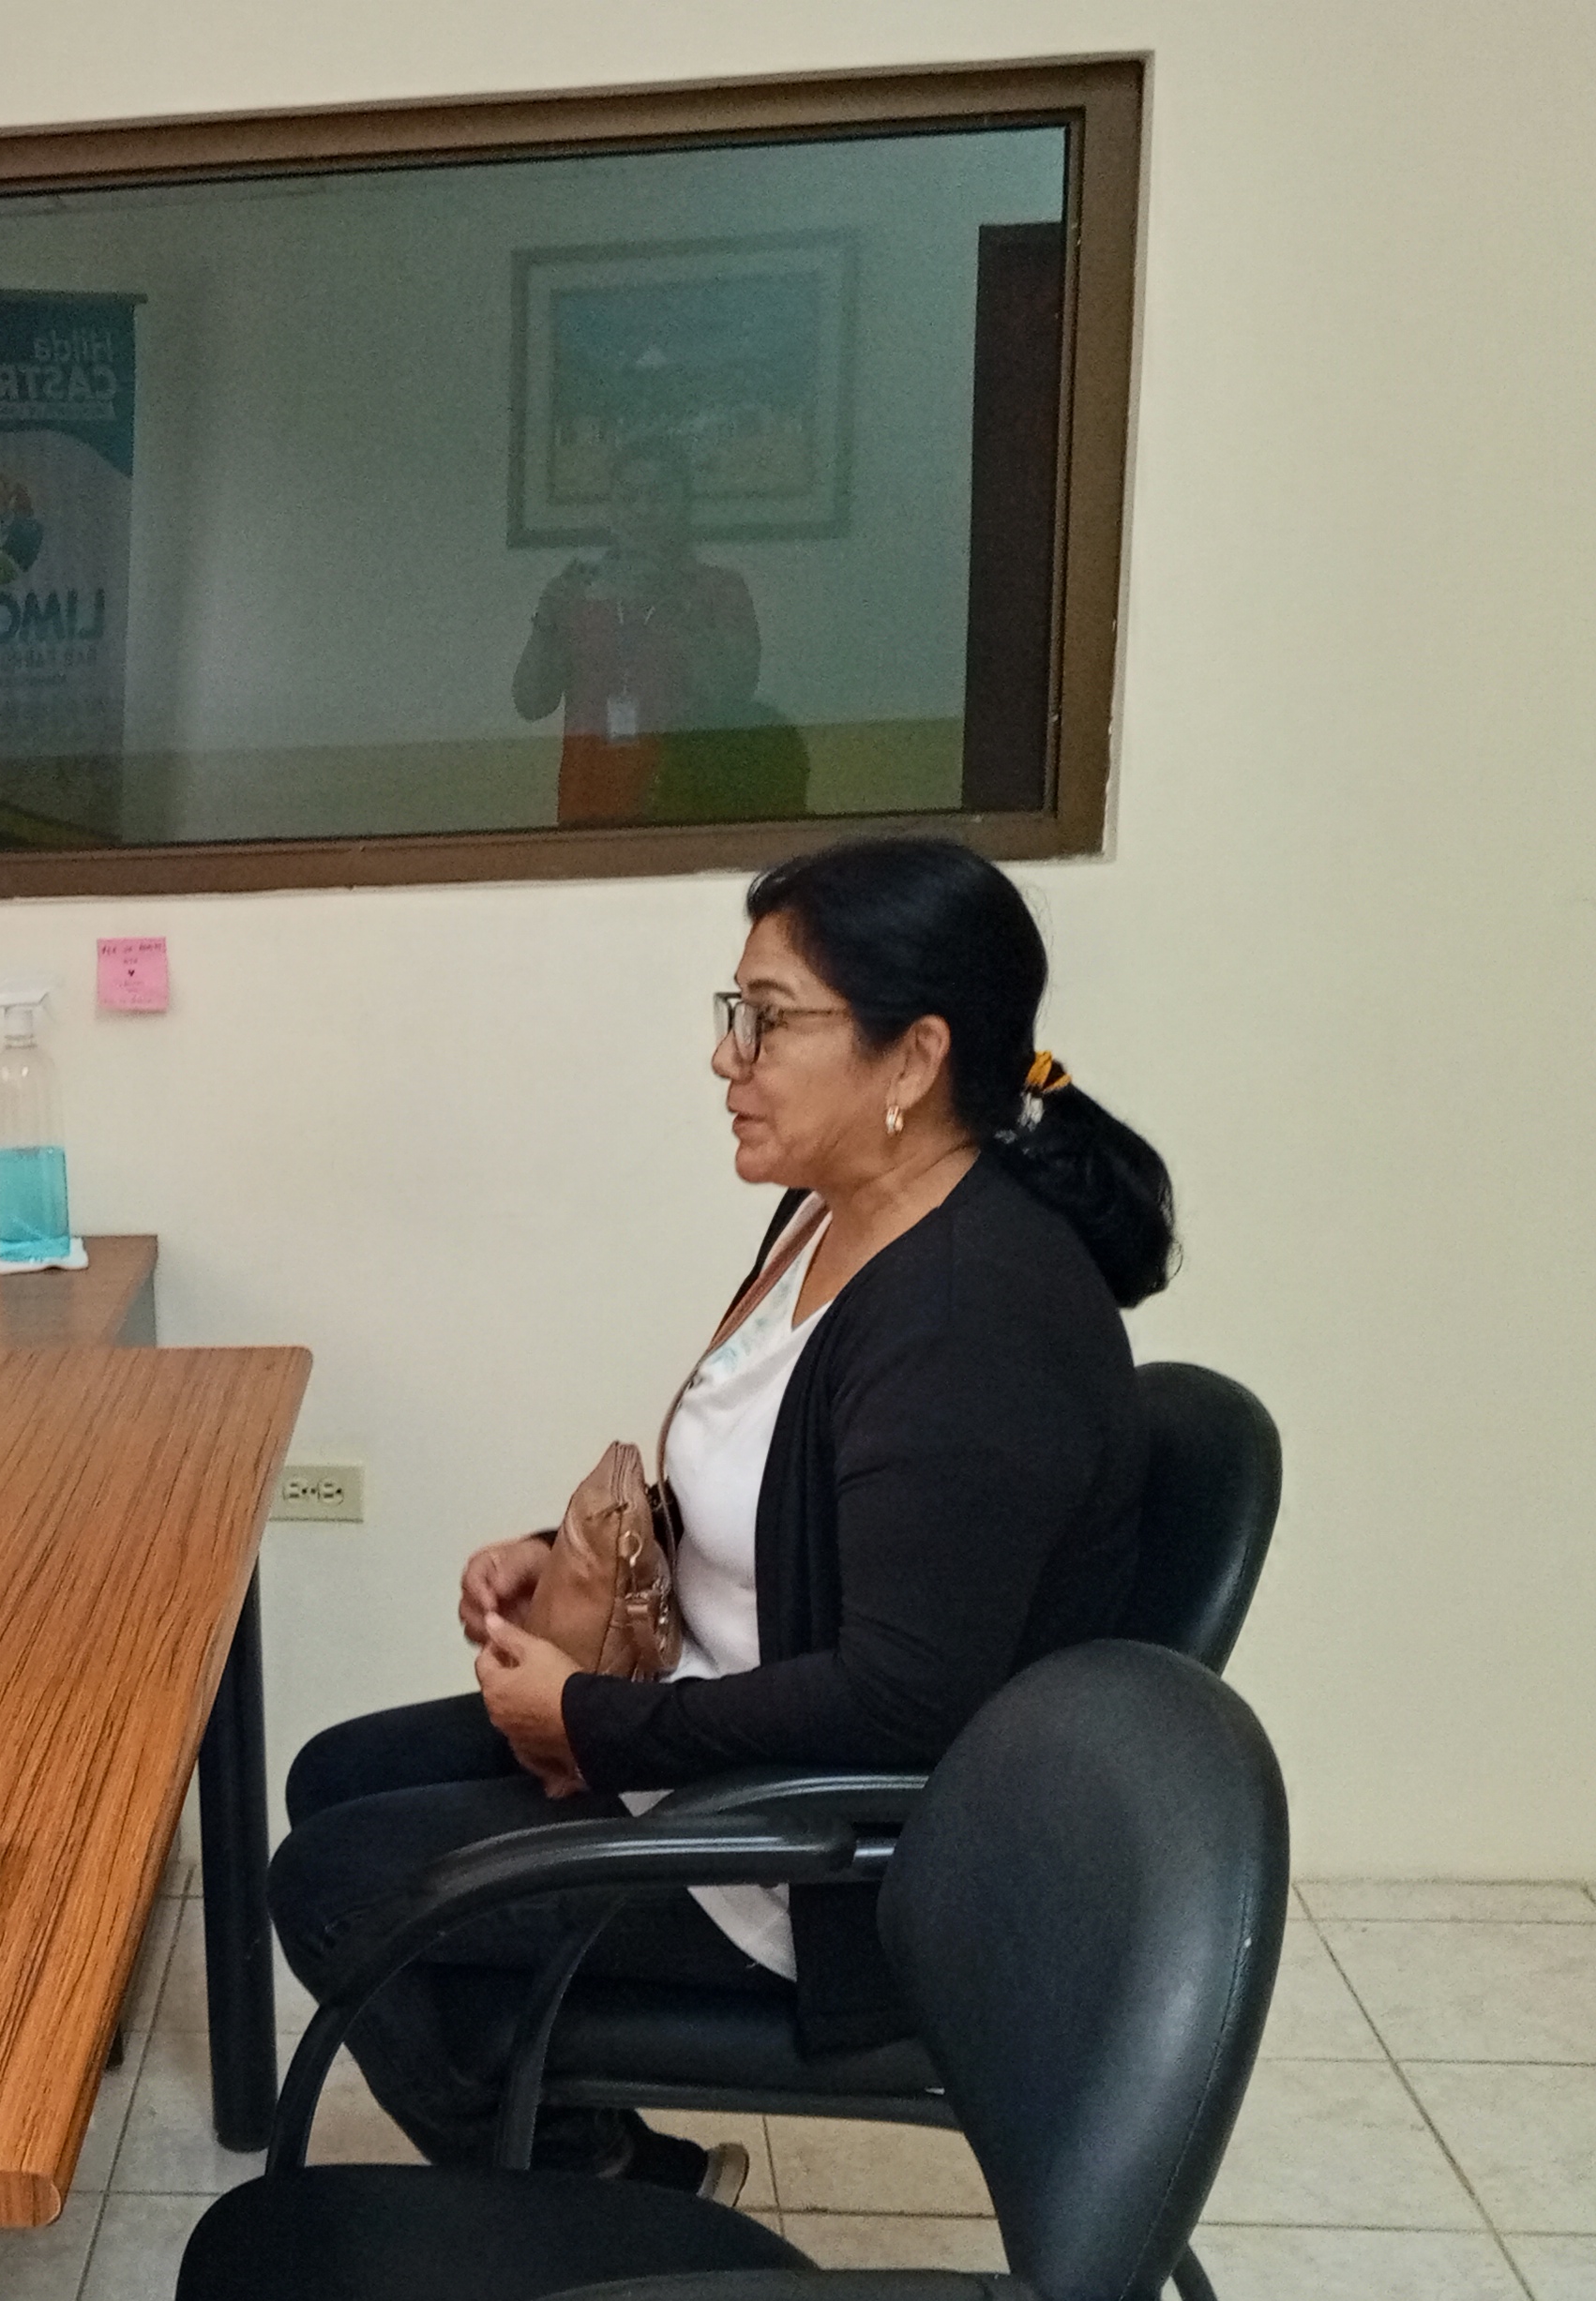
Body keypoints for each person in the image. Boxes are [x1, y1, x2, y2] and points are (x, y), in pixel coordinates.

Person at [266, 835, 1175, 2187]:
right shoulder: (829, 1212)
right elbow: (778, 1487)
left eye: (768, 1020)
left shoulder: (969, 1321)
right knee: (332, 1781)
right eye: (731, 1013)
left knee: (333, 1884)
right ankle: (562, 2141)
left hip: (818, 1855)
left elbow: (905, 1702)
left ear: (913, 1061)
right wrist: (558, 1557)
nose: (724, 1058)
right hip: (719, 1732)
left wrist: (588, 1719)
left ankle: (598, 2190)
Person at [511, 441, 762, 827]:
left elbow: (733, 694)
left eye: (658, 495)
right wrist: (547, 619)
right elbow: (531, 704)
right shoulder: (578, 591)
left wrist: (673, 603)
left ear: (686, 505)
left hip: (687, 802)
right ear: (611, 509)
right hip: (587, 805)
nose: (643, 509)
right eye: (628, 497)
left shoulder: (721, 589)